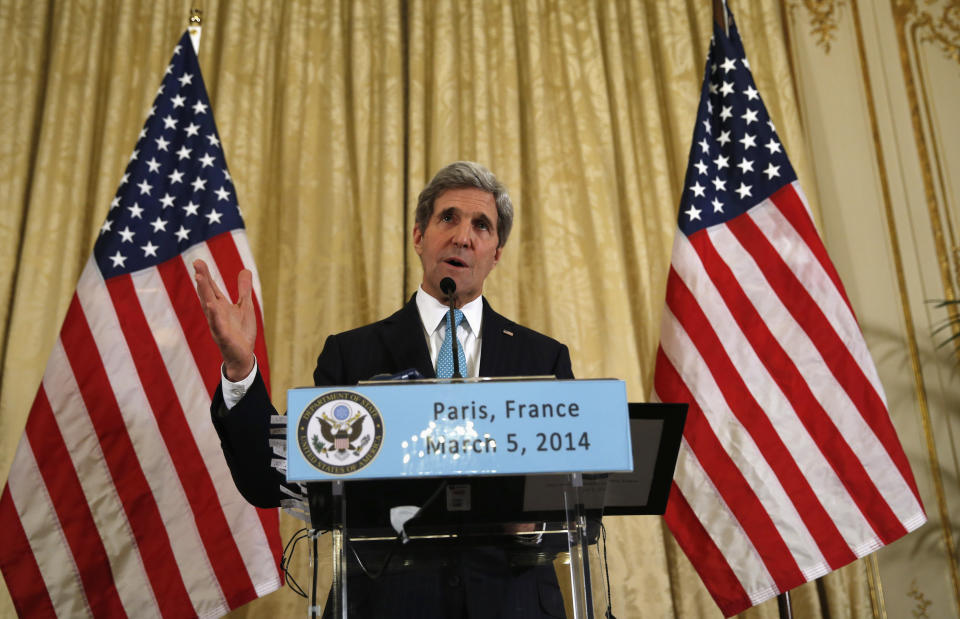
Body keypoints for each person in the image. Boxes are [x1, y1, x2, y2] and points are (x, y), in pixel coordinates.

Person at [195, 161, 572, 617]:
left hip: (510, 603)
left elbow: (574, 505)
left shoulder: (542, 360)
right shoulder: (351, 356)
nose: (463, 237)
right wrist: (240, 368)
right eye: (448, 218)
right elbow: (267, 481)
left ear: (496, 252)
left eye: (482, 226)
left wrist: (529, 524)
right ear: (418, 236)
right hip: (385, 602)